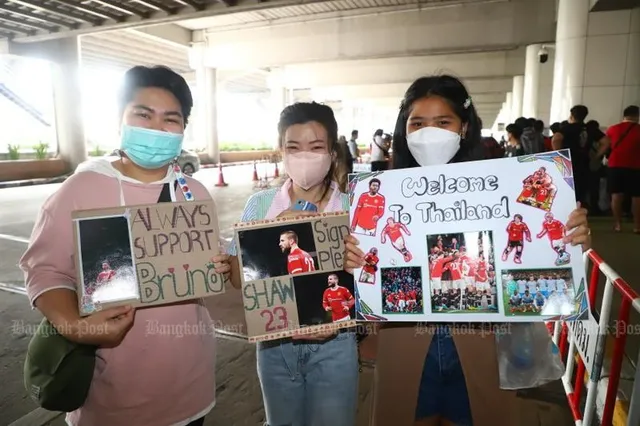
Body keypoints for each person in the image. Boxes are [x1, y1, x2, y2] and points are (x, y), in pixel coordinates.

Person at [343, 75, 592, 426]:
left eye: (442, 122)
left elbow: (543, 256)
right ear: (404, 129)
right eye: (417, 123)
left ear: (463, 127)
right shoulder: (381, 190)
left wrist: (571, 239)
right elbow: (367, 276)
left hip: (482, 342)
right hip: (405, 343)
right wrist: (353, 261)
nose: (428, 132)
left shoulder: (499, 187)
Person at [19, 66, 231, 426]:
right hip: (113, 402)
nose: (156, 128)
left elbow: (205, 263)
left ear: (183, 129)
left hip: (192, 389)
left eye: (170, 119)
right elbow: (44, 270)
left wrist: (220, 264)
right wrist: (76, 326)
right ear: (121, 118)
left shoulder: (193, 193)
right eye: (143, 114)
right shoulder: (82, 188)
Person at [227, 102, 358, 426]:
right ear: (281, 151)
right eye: (293, 147)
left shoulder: (353, 207)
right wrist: (270, 239)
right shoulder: (260, 205)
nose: (304, 156)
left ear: (332, 152)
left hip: (336, 342)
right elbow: (235, 276)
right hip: (275, 345)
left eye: (316, 147)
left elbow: (371, 281)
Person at [605, 105, 640, 233]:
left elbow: (605, 145)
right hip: (636, 166)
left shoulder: (613, 129)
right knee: (637, 197)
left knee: (616, 195)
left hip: (615, 165)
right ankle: (637, 226)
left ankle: (618, 224)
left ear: (624, 115)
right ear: (637, 116)